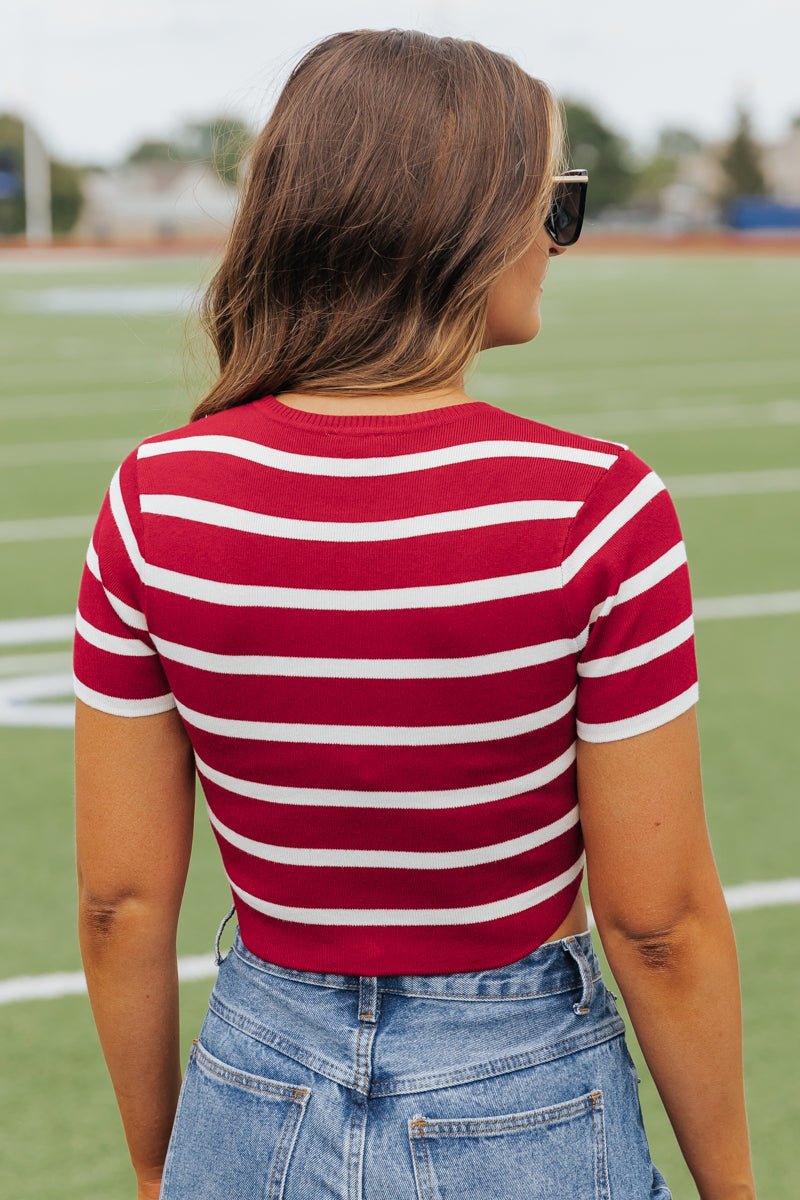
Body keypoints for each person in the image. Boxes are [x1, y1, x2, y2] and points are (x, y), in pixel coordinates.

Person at [72, 28, 756, 1200]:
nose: (555, 241)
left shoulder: (153, 496)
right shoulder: (594, 506)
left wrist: (157, 1158)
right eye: (552, 201)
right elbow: (657, 924)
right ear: (469, 222)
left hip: (252, 1080)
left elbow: (118, 902)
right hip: (523, 1088)